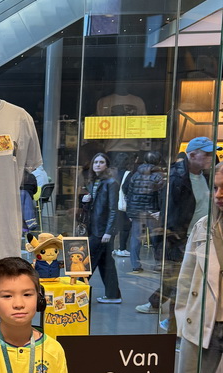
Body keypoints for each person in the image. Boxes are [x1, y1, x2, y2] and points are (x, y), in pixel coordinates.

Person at [170, 161, 223, 373]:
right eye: (216, 187)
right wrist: (183, 322)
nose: (218, 195)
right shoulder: (204, 227)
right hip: (201, 328)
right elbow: (186, 280)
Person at [136, 137, 214, 319]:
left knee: (180, 279)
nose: (211, 157)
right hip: (182, 238)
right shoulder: (176, 177)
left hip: (198, 236)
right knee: (181, 280)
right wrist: (174, 237)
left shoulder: (204, 176)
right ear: (193, 155)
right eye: (207, 154)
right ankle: (174, 322)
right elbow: (170, 210)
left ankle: (157, 306)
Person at [80, 152, 122, 304]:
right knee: (106, 263)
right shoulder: (93, 182)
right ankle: (113, 295)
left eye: (101, 162)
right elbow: (93, 208)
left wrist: (108, 232)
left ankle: (77, 291)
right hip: (95, 228)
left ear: (107, 165)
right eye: (95, 162)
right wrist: (85, 201)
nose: (98, 164)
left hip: (101, 231)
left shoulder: (111, 183)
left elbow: (113, 209)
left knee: (87, 261)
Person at [123, 151, 165, 272]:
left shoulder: (135, 174)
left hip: (137, 211)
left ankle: (135, 265)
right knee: (155, 238)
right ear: (158, 161)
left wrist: (130, 211)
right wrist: (161, 211)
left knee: (136, 239)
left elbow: (128, 192)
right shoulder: (159, 176)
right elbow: (160, 195)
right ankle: (158, 264)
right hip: (153, 212)